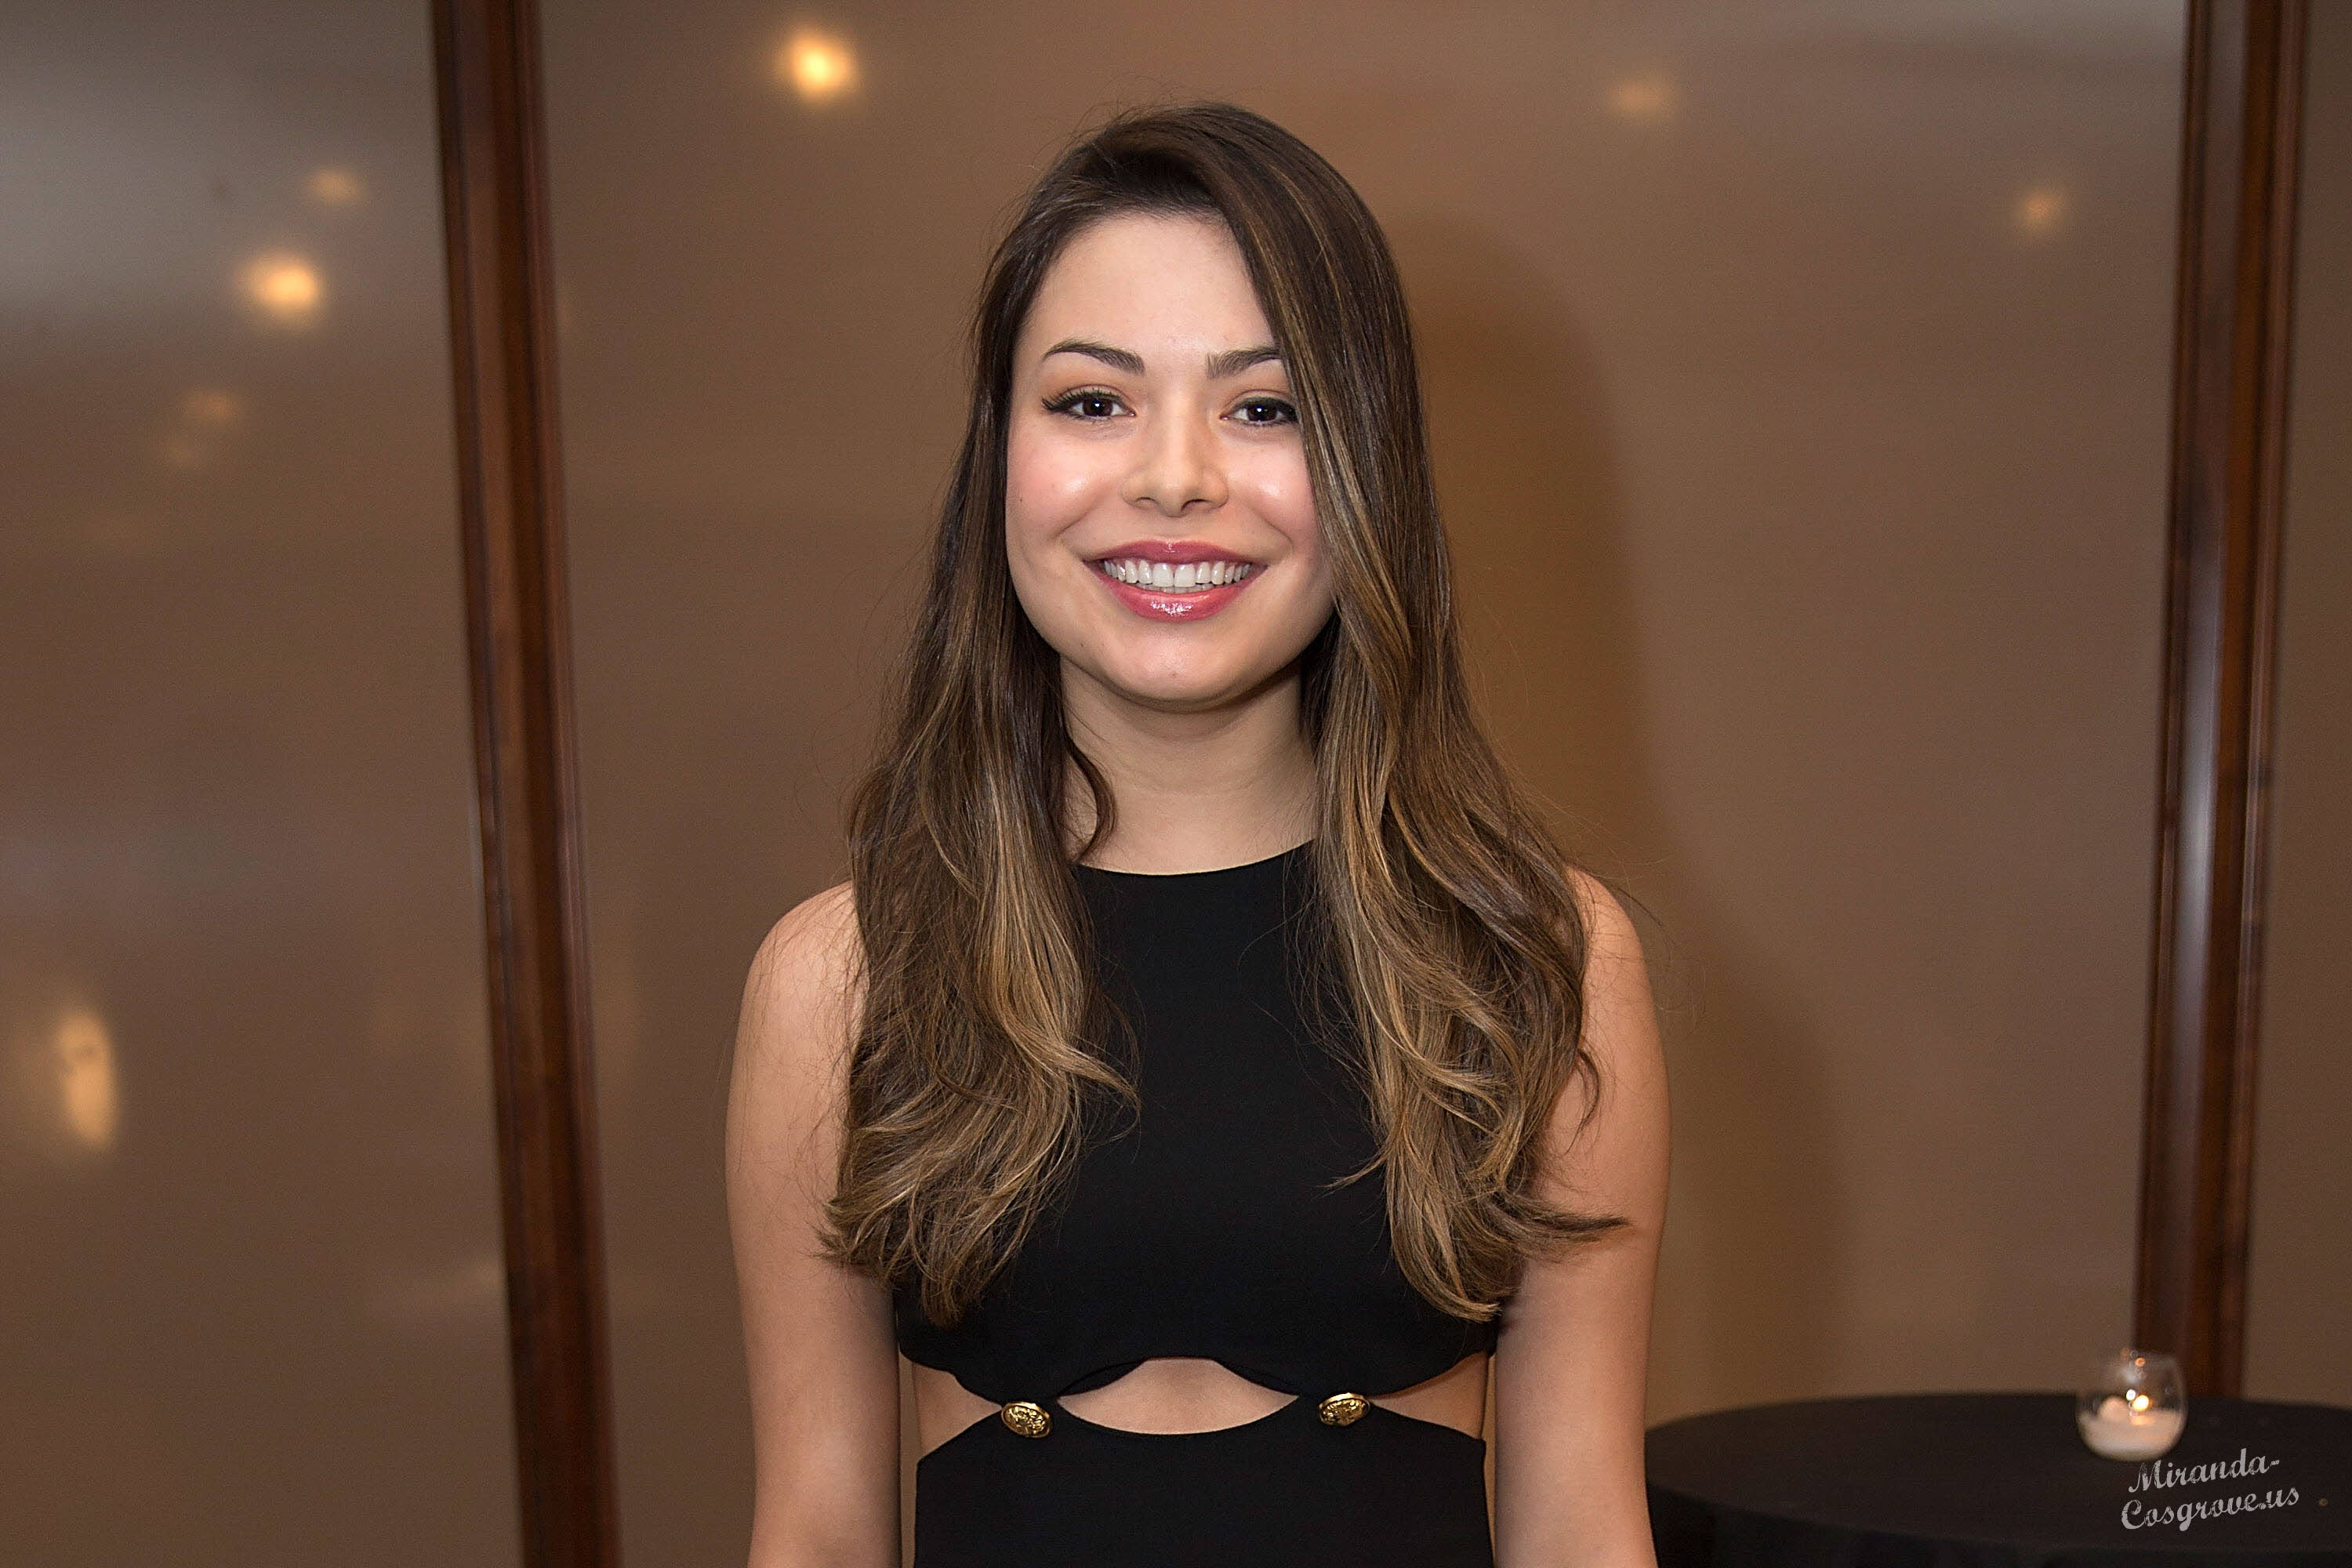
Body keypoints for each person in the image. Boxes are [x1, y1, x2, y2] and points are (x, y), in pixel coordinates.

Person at [726, 101, 1668, 1568]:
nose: (1175, 477)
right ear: (998, 458)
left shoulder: (1538, 956)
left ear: (1367, 468)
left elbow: (1583, 1529)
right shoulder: (839, 978)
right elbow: (817, 1530)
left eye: (1266, 407)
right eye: (1093, 401)